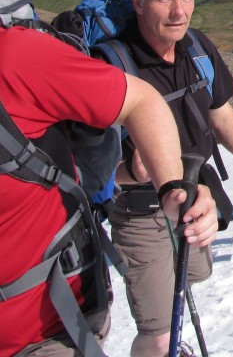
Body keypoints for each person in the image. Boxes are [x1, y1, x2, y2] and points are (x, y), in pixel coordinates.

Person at [106, 0, 233, 357]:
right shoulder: (113, 66)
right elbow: (86, 168)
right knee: (157, 332)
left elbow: (221, 114)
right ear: (137, 2)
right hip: (140, 209)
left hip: (193, 197)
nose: (178, 11)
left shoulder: (197, 48)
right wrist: (131, 172)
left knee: (192, 276)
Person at [0, 24, 219, 357]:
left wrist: (174, 186)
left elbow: (141, 100)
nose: (179, 11)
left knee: (186, 292)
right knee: (159, 336)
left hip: (40, 331)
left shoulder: (14, 58)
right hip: (126, 221)